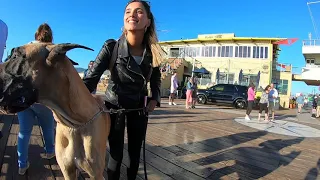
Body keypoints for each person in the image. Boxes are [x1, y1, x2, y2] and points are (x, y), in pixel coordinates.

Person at [82, 1, 163, 179]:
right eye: (128, 11)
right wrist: (71, 99)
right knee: (115, 155)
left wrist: (154, 98)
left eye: (139, 12)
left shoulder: (154, 52)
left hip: (139, 108)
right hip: (114, 107)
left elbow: (156, 79)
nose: (131, 15)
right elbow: (90, 80)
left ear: (148, 22)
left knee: (135, 156)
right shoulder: (111, 47)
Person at [17, 23, 56, 175]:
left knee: (23, 132)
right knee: (47, 127)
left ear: (36, 35)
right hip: (42, 98)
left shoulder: (24, 49)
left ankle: (22, 164)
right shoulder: (51, 50)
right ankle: (50, 151)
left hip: (24, 98)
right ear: (50, 36)